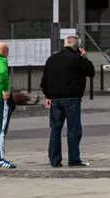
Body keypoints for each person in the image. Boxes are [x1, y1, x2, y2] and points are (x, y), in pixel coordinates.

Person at [40, 35, 95, 168]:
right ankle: (74, 159)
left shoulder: (52, 59)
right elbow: (91, 72)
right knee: (74, 129)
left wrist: (48, 95)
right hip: (72, 99)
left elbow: (44, 81)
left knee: (55, 130)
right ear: (77, 46)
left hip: (55, 100)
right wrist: (84, 57)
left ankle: (55, 160)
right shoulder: (77, 59)